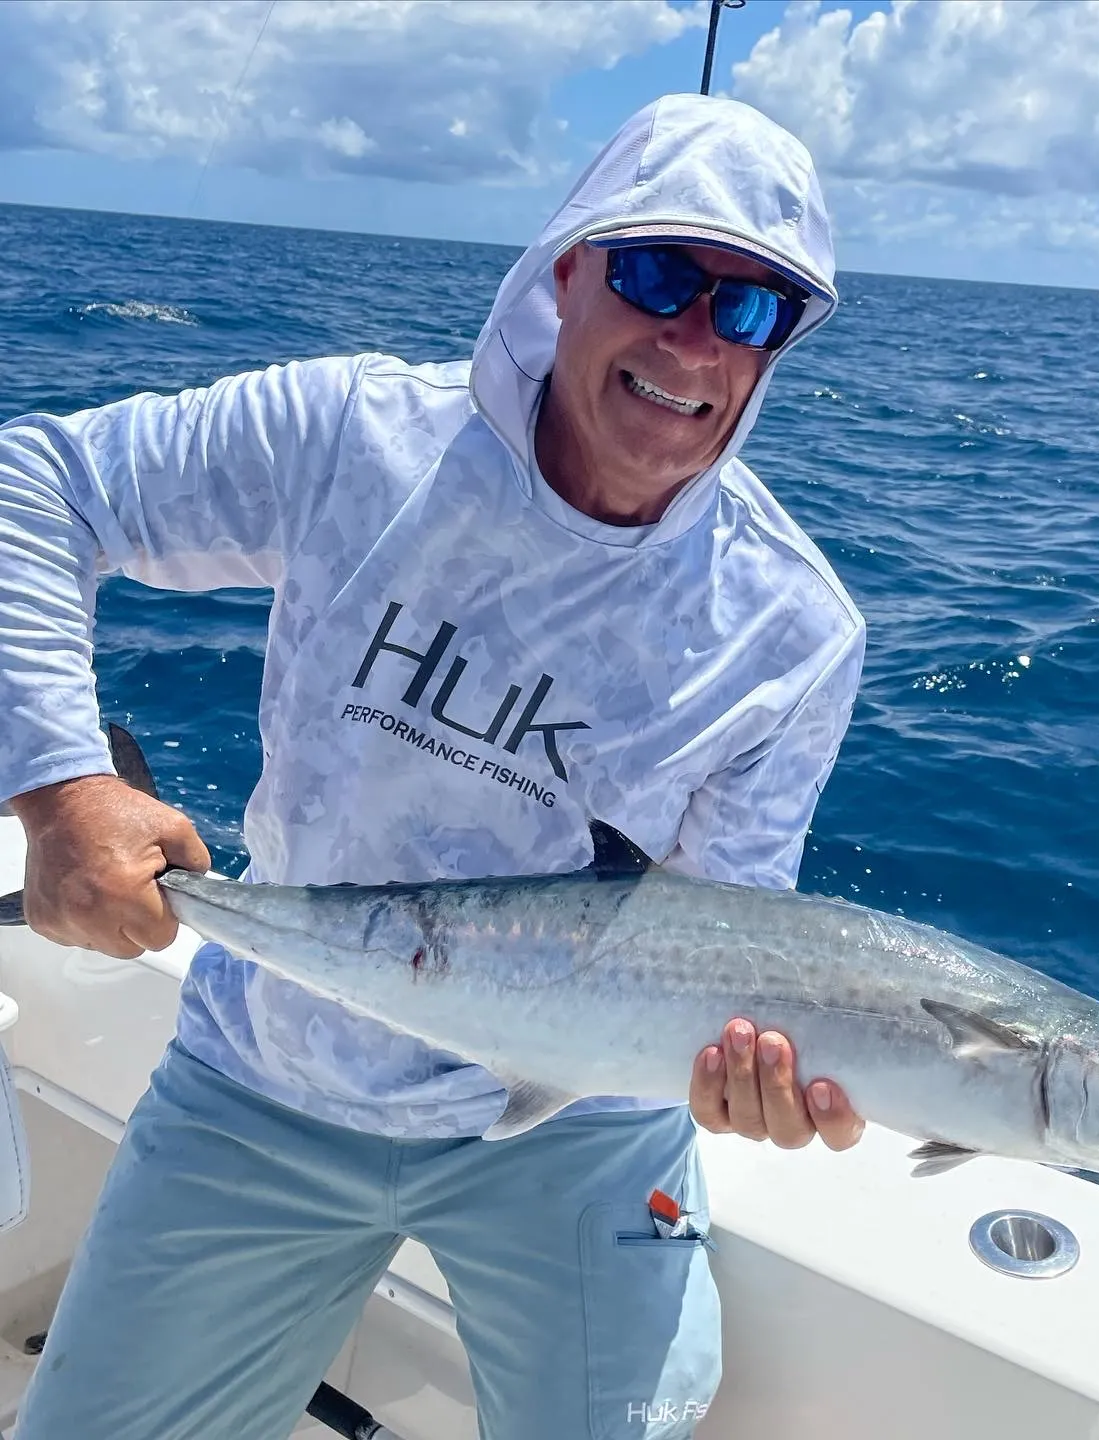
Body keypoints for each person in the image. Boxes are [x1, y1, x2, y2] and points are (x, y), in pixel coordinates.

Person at [0, 93, 866, 1439]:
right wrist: (63, 784)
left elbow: (719, 936)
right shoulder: (356, 436)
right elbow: (35, 485)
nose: (695, 338)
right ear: (568, 270)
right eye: (657, 275)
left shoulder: (791, 633)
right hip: (268, 1068)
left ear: (778, 350)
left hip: (579, 1131)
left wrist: (737, 1069)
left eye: (751, 310)